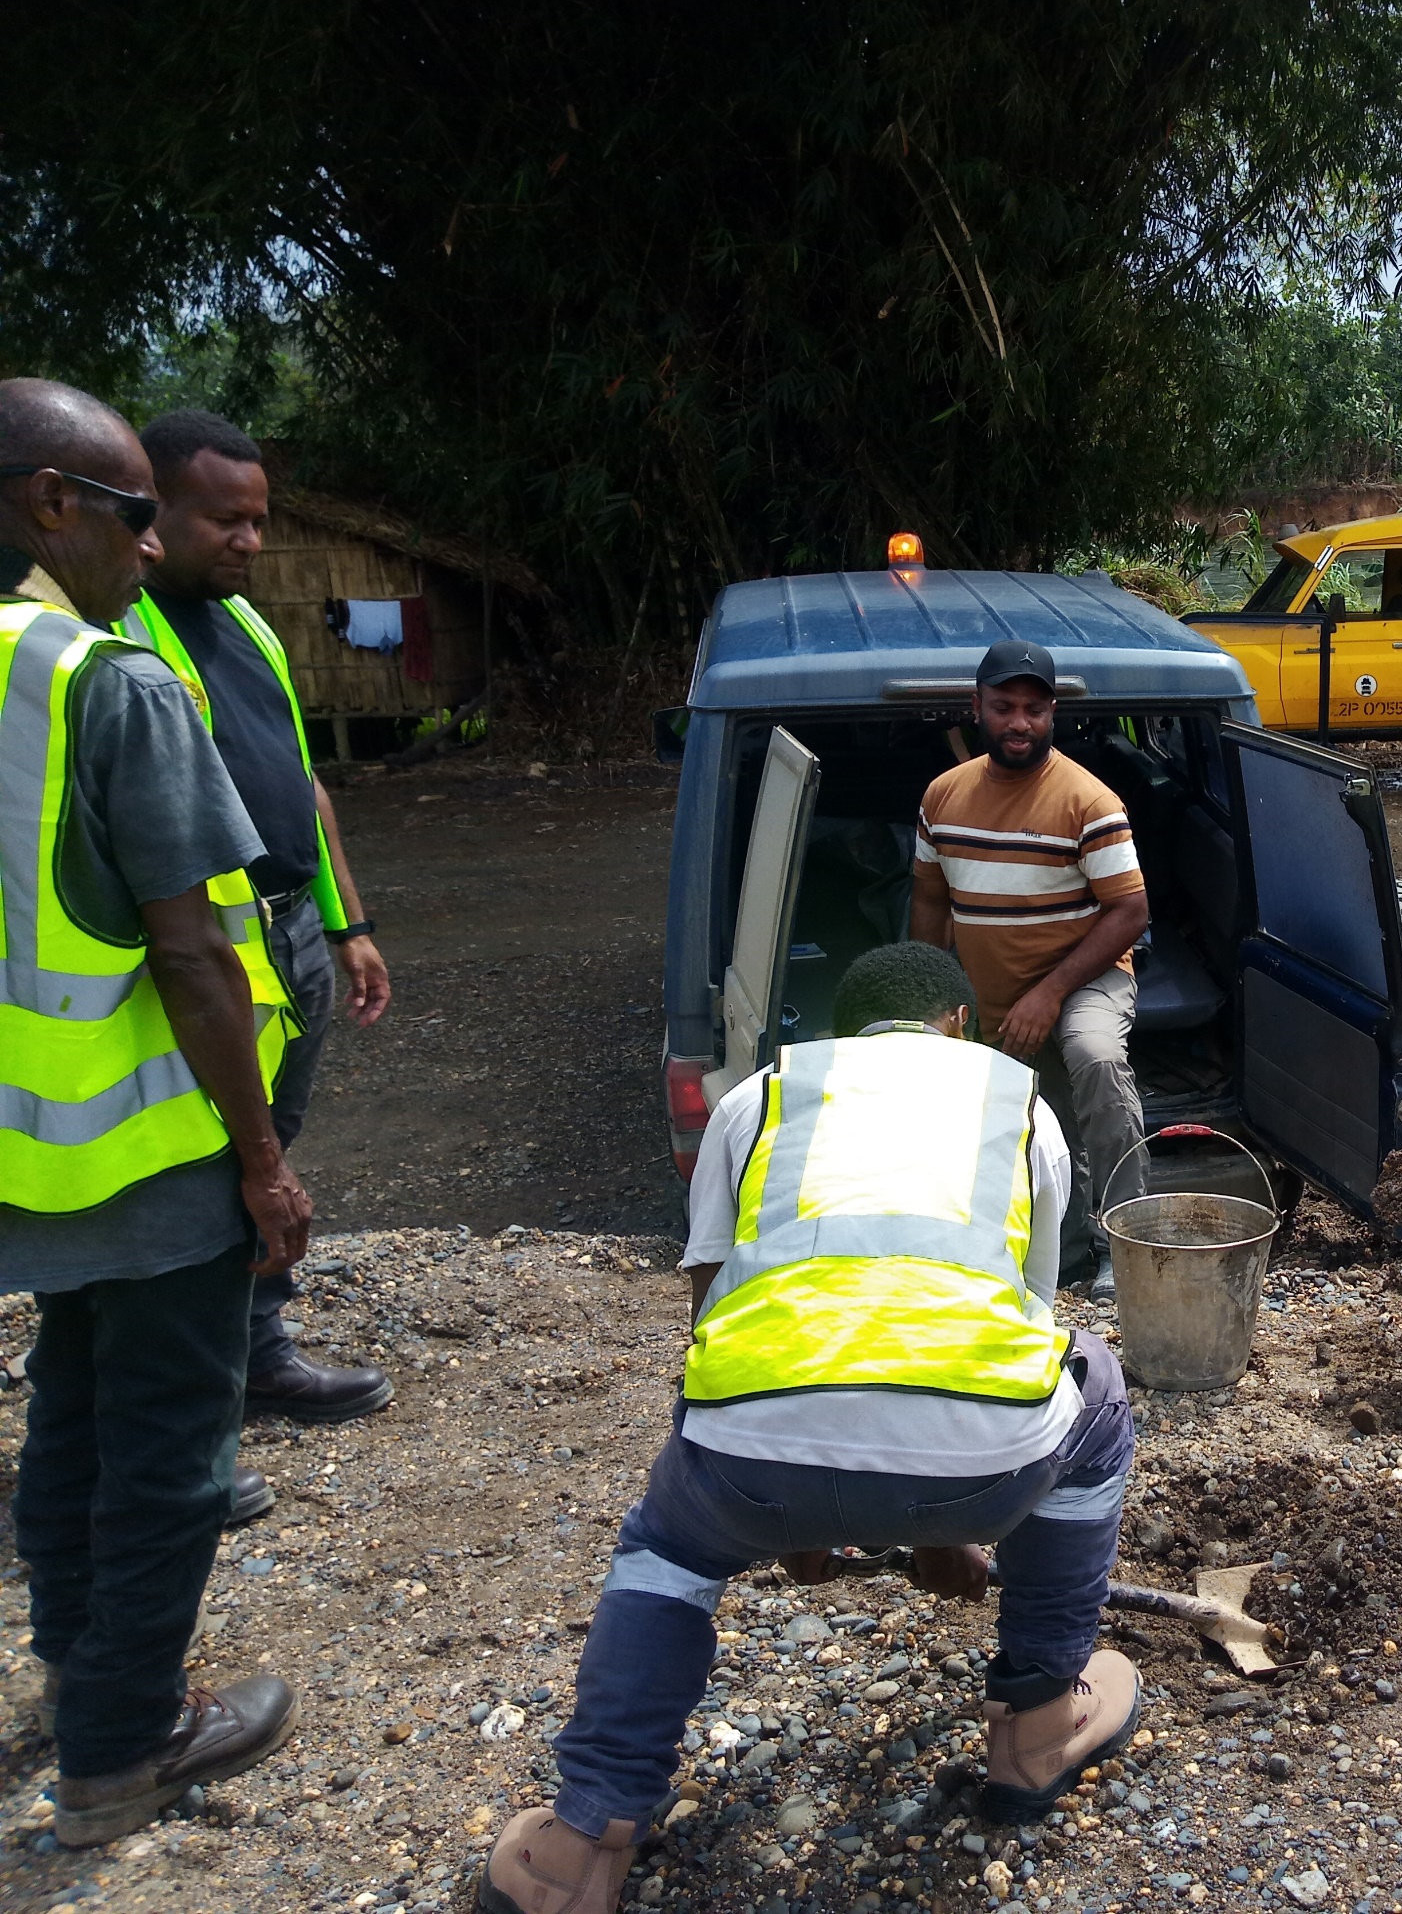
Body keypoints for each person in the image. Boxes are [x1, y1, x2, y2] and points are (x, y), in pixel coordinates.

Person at [480, 941, 1139, 1914]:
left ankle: (584, 1842)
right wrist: (946, 1523)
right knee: (1099, 1393)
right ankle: (1036, 1724)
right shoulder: (1017, 1103)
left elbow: (715, 1314)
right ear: (955, 1021)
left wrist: (775, 1518)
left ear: (841, 1036)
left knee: (664, 1550)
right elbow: (1013, 1333)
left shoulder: (765, 1096)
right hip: (985, 1458)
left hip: (750, 1459)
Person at [0, 378, 304, 1844]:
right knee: (176, 1446)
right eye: (135, 512)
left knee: (71, 1413)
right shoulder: (102, 676)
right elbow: (191, 950)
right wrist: (261, 1161)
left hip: (22, 1146)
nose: (147, 543)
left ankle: (83, 1682)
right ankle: (125, 1747)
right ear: (54, 504)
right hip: (148, 1139)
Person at [126, 410, 395, 1439]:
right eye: (224, 521)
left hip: (288, 934)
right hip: (204, 948)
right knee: (211, 1165)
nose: (249, 542)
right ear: (152, 513)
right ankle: (191, 1398)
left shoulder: (249, 626)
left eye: (258, 520)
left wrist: (348, 921)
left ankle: (255, 1350)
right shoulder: (120, 638)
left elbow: (303, 785)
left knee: (271, 1140)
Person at [912, 639, 1151, 1297]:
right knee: (997, 1110)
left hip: (1083, 978)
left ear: (1052, 713)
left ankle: (1122, 1241)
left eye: (1034, 709)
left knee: (1095, 1056)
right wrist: (931, 1005)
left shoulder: (1088, 801)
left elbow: (1130, 911)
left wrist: (1047, 994)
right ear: (976, 707)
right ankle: (1045, 1246)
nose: (1019, 722)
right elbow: (929, 902)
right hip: (988, 990)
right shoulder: (942, 798)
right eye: (1004, 707)